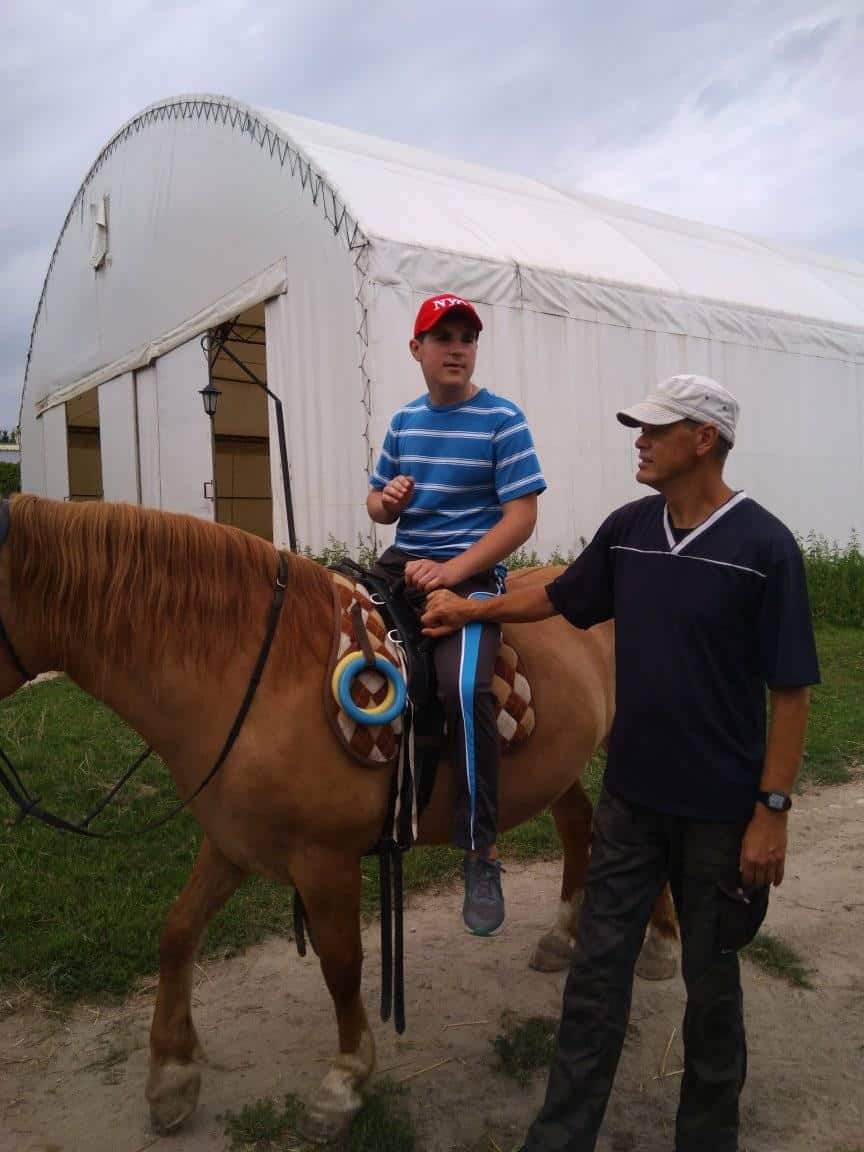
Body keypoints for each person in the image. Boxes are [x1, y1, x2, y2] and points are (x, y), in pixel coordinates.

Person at [421, 374, 819, 1151]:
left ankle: (708, 1137)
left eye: (654, 429)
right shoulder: (630, 527)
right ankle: (560, 1137)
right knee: (595, 981)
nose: (638, 439)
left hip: (719, 814)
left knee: (710, 990)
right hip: (630, 804)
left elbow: (791, 695)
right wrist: (475, 609)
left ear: (702, 438)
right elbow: (561, 598)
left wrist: (771, 811)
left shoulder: (765, 548)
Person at [367, 293, 546, 936]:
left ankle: (481, 850)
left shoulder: (503, 420)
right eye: (441, 337)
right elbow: (377, 506)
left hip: (467, 581)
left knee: (465, 689)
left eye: (466, 337)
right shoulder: (404, 423)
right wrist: (386, 501)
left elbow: (521, 516)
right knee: (331, 643)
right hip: (401, 567)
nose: (456, 347)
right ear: (416, 350)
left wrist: (455, 572)